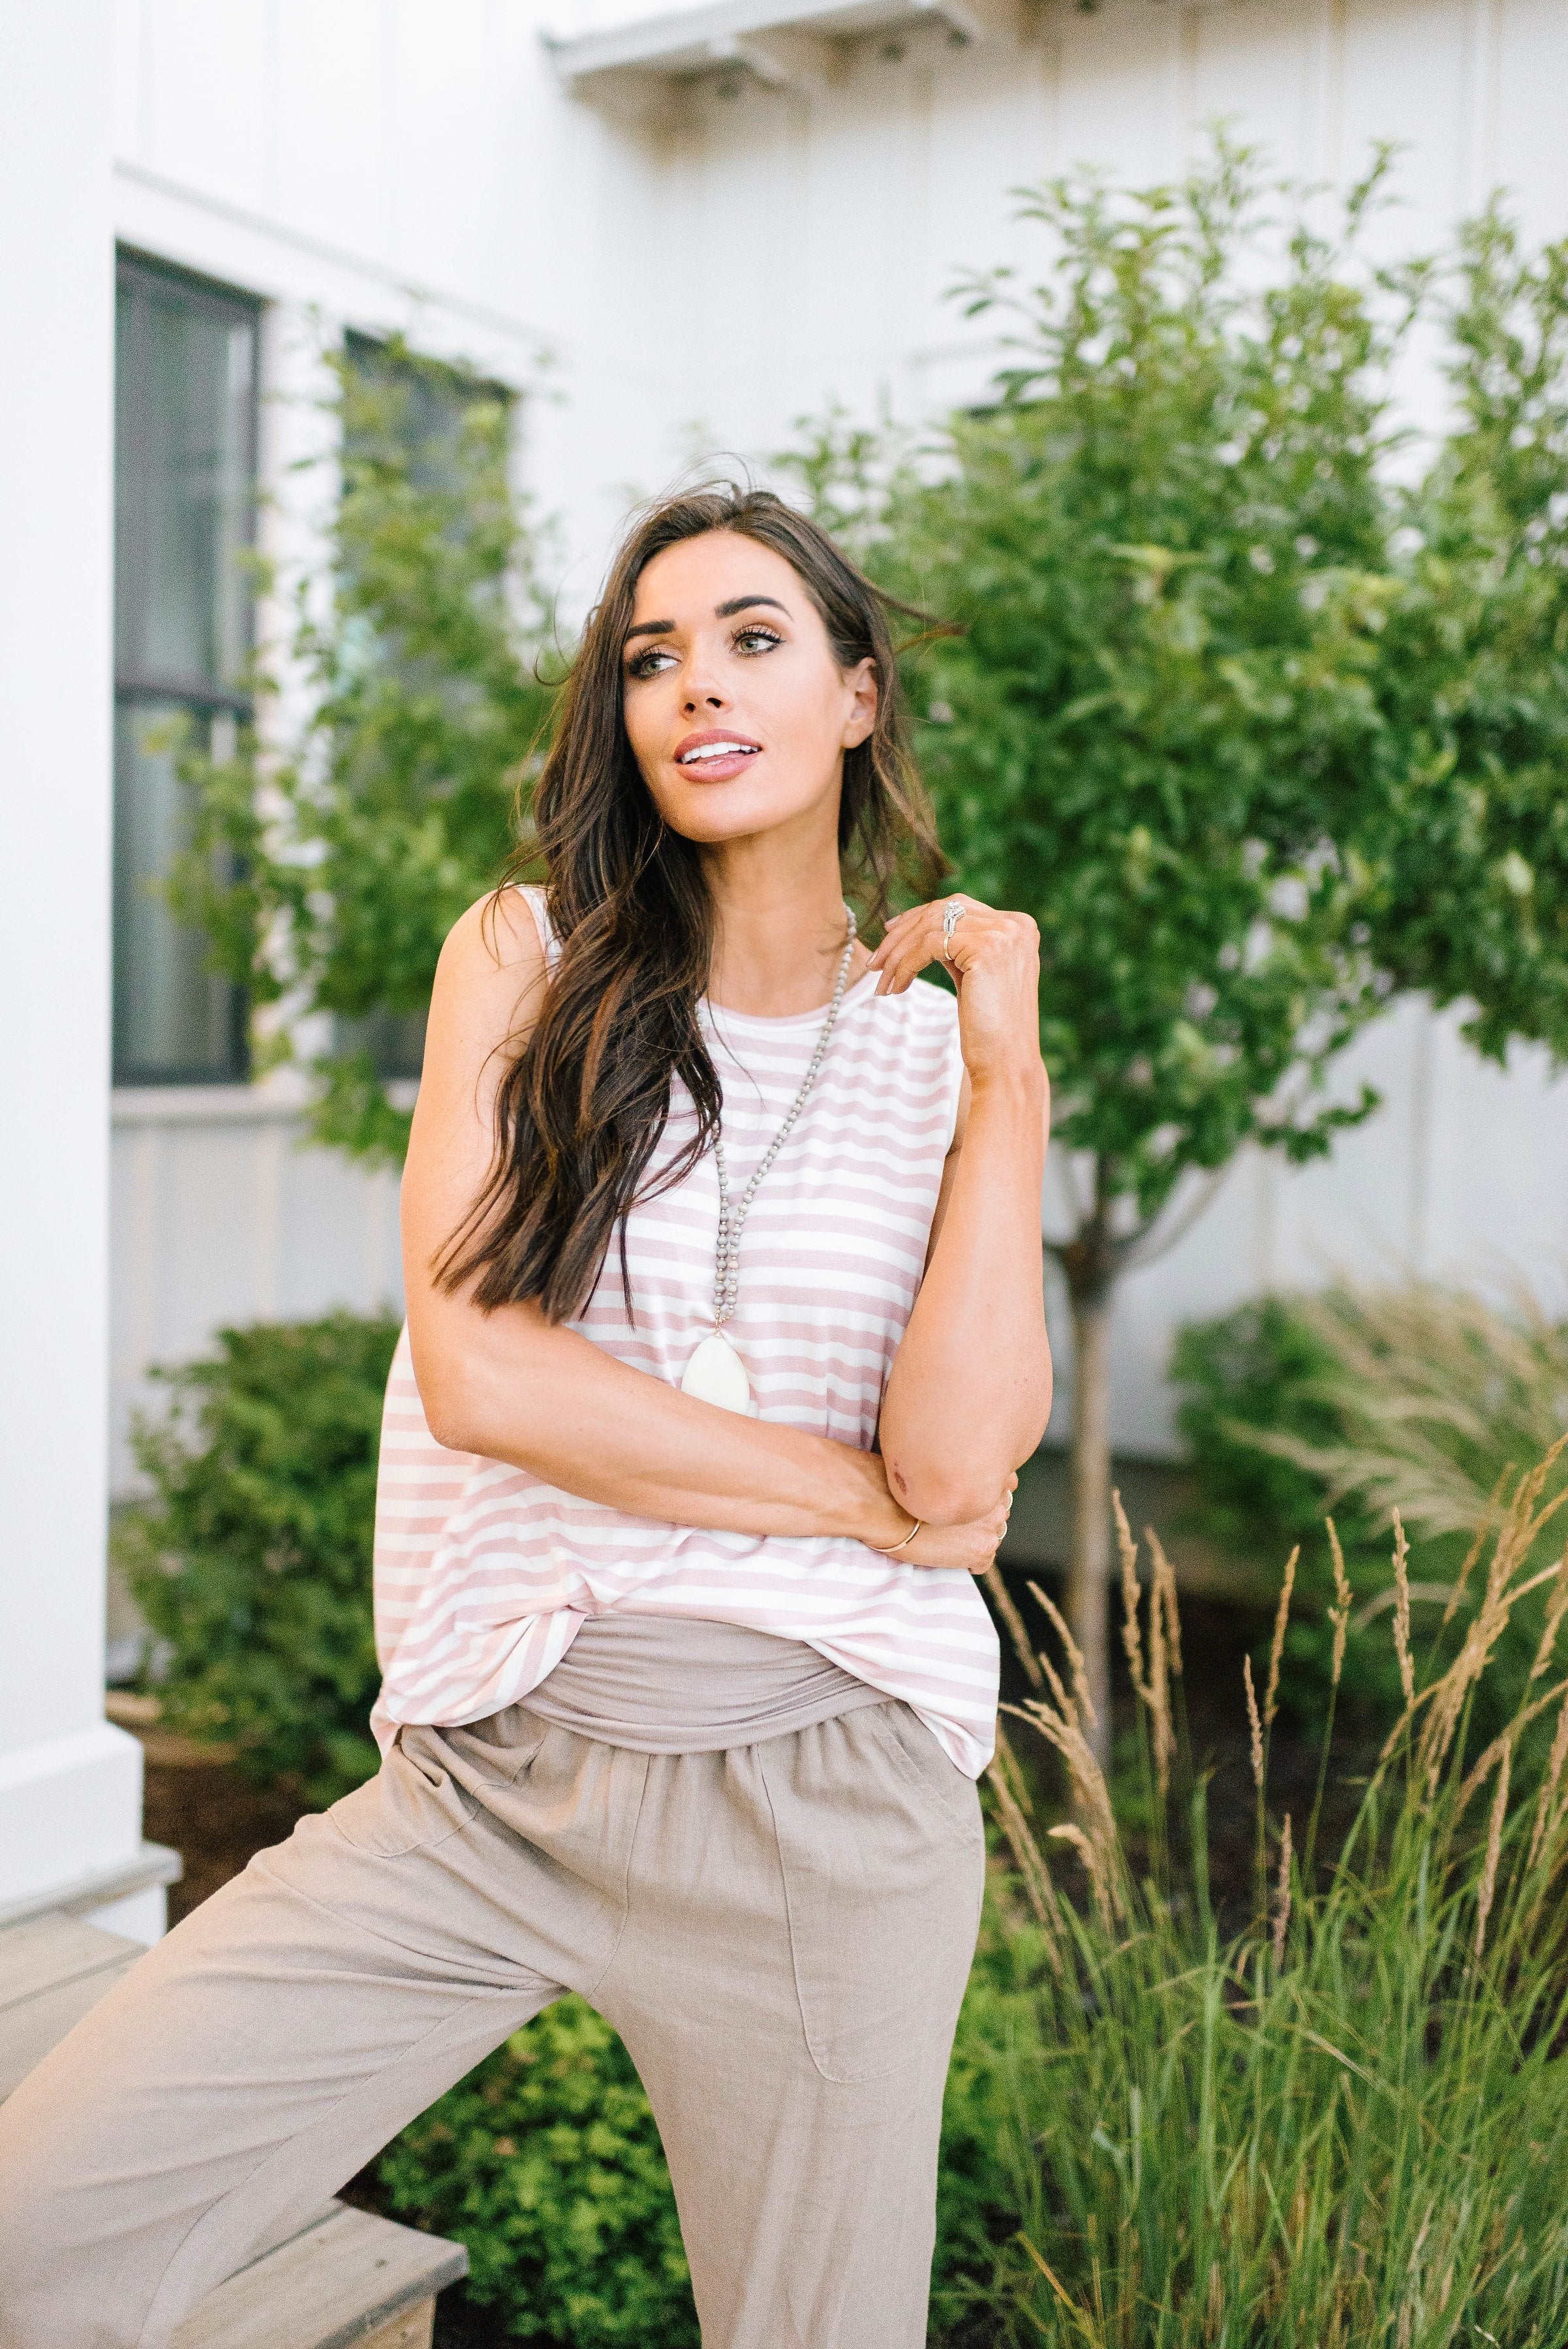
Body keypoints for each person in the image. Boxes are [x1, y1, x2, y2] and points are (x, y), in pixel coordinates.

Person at [0, 486, 1051, 2349]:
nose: (692, 688)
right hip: (496, 1784)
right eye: (651, 655)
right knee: (43, 2225)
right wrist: (853, 1499)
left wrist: (1011, 1073)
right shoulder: (523, 959)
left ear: (859, 699)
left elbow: (962, 1479)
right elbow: (486, 1376)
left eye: (750, 640)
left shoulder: (929, 1051)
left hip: (830, 1809)